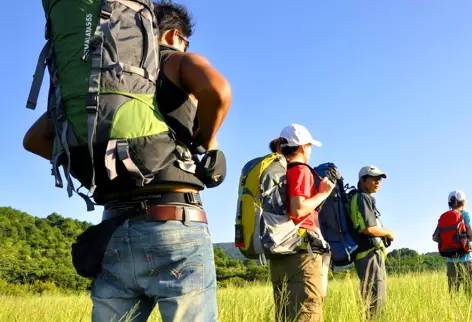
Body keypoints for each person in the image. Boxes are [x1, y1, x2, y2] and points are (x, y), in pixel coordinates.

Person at [23, 1, 232, 321]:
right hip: (174, 221)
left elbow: (34, 140)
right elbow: (218, 91)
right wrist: (208, 143)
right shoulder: (174, 60)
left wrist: (96, 164)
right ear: (174, 35)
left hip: (113, 229)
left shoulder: (100, 81)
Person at [269, 124, 335, 322]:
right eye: (310, 146)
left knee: (285, 313)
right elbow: (298, 209)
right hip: (301, 252)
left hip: (279, 249)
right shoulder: (300, 170)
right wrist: (323, 193)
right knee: (307, 311)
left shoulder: (278, 172)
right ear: (303, 147)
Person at [349, 165, 394, 319]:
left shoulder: (359, 197)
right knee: (377, 301)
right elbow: (367, 228)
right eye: (374, 178)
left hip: (365, 255)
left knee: (370, 300)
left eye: (379, 179)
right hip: (369, 255)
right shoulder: (363, 197)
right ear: (363, 179)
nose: (378, 182)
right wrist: (388, 232)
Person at [440, 190, 472, 296]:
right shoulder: (466, 215)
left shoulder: (444, 217)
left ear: (450, 203)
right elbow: (471, 235)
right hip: (468, 259)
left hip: (451, 261)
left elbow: (435, 237)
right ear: (463, 202)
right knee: (471, 296)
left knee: (453, 296)